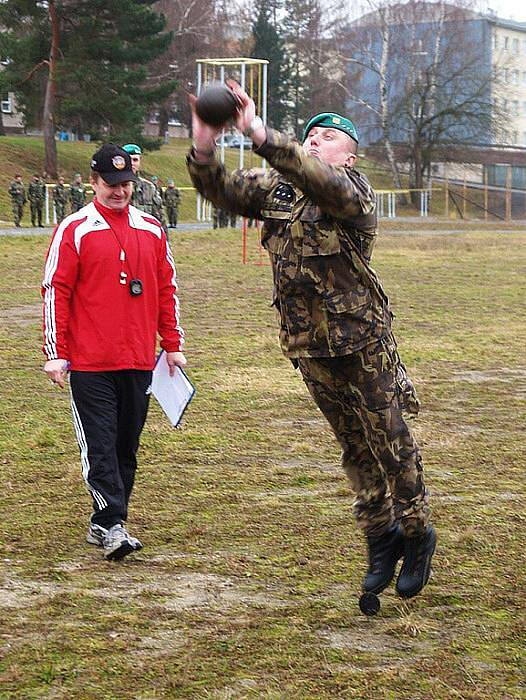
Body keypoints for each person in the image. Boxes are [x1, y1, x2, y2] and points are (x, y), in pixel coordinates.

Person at [186, 82, 436, 601]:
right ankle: (379, 537)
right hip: (308, 346)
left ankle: (416, 533)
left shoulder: (354, 193)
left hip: (362, 342)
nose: (317, 143)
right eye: (311, 137)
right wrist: (205, 143)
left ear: (350, 153)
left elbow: (317, 177)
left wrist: (257, 130)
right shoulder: (277, 190)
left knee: (391, 443)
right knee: (353, 448)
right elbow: (219, 191)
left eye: (328, 137)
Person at [42, 144, 186, 561]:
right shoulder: (74, 229)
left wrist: (172, 346)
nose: (120, 191)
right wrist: (56, 351)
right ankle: (112, 524)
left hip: (139, 359)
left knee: (126, 446)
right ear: (94, 182)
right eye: (111, 184)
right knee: (101, 445)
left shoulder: (152, 228)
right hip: (90, 363)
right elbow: (56, 291)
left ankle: (103, 520)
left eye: (126, 183)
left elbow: (166, 289)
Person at [122, 144, 157, 215]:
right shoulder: (112, 187)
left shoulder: (149, 187)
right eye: (128, 160)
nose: (132, 163)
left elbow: (159, 218)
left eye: (135, 160)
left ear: (140, 161)